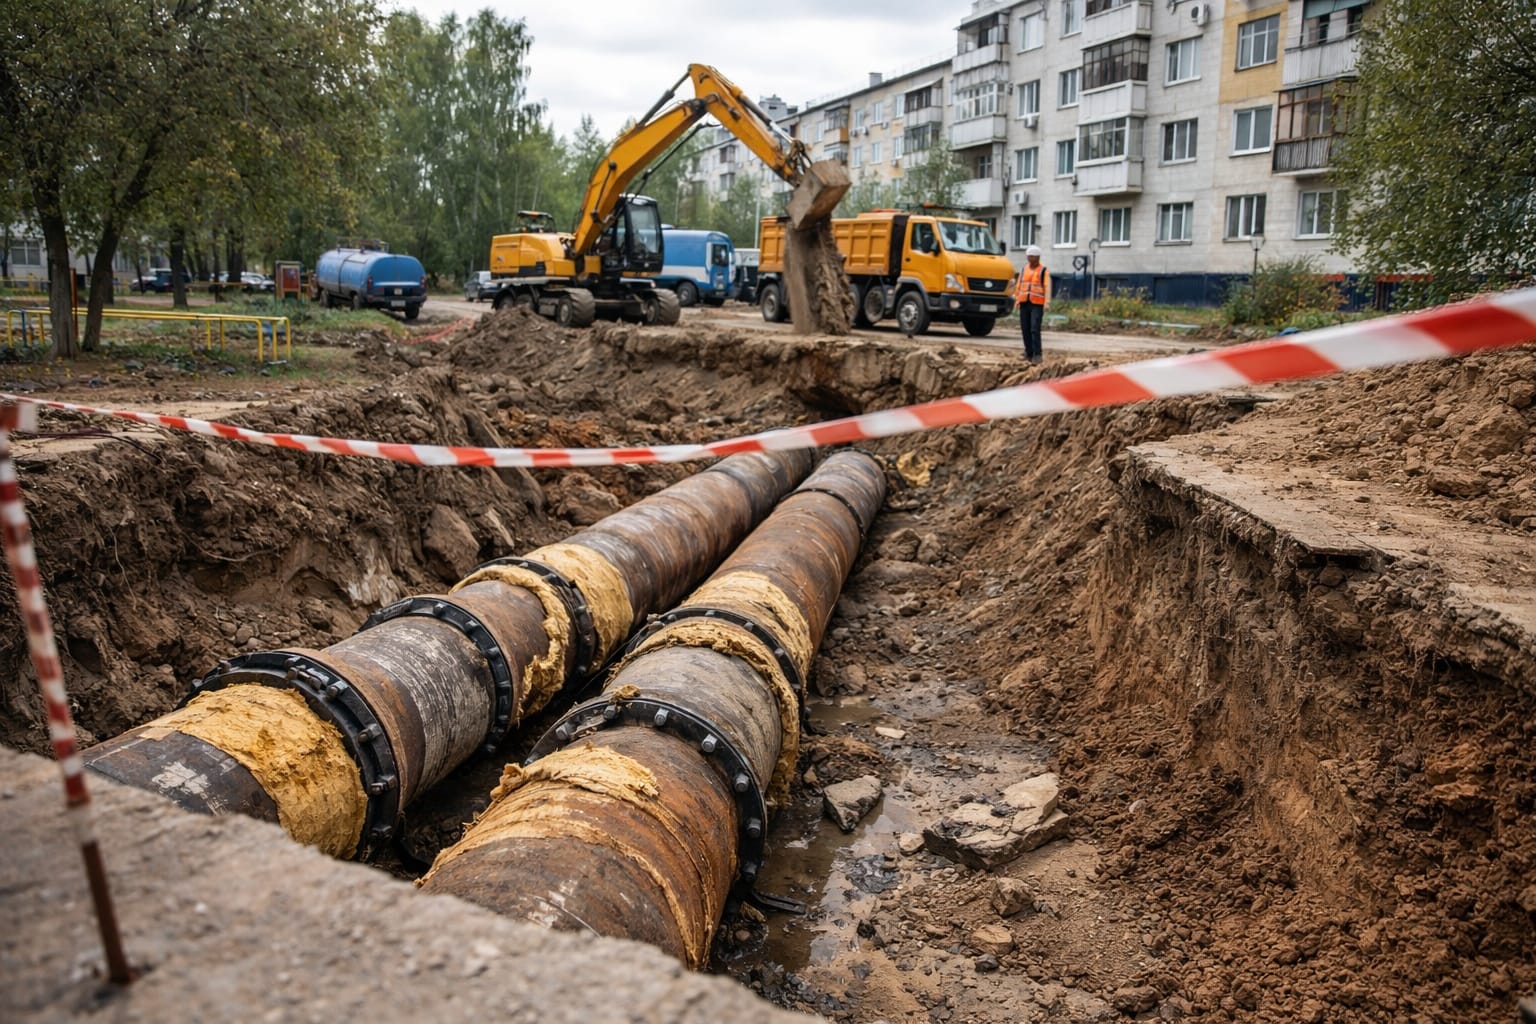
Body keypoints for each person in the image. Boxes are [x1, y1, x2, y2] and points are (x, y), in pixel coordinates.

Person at [1012, 244, 1051, 365]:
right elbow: (1019, 285)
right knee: (1025, 329)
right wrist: (1016, 300)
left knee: (1034, 328)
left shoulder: (1043, 270)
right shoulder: (1024, 269)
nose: (1029, 259)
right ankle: (1028, 353)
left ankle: (1037, 354)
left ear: (1037, 257)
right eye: (1028, 256)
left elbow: (1047, 287)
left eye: (1032, 257)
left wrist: (1047, 302)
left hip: (1037, 304)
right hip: (1024, 302)